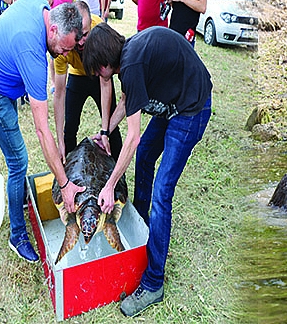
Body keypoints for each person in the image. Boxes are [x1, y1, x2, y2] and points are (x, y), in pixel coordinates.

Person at [83, 23, 212, 317]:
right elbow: (129, 102)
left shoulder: (132, 63)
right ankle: (142, 230)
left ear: (106, 64)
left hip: (191, 108)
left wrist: (109, 185)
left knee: (162, 193)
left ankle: (154, 283)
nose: (97, 77)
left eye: (96, 71)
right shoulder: (130, 57)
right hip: (174, 101)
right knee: (144, 158)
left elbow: (133, 137)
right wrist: (105, 130)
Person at [0, 0, 85, 263]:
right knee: (18, 160)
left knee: (16, 155)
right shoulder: (33, 57)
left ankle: (20, 197)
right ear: (53, 28)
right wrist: (65, 185)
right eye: (64, 48)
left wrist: (62, 143)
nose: (65, 54)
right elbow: (41, 130)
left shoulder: (39, 3)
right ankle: (17, 235)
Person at [53, 1, 123, 161]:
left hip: (100, 76)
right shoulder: (63, 43)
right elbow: (59, 93)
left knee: (112, 129)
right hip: (77, 77)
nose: (82, 42)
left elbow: (106, 81)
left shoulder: (99, 28)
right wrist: (60, 141)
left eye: (85, 34)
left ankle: (117, 174)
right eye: (78, 36)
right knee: (69, 129)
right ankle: (70, 170)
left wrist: (105, 130)